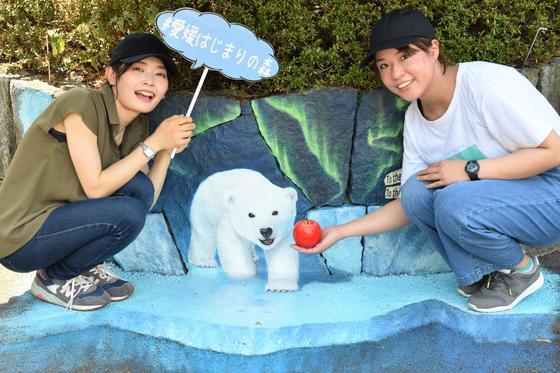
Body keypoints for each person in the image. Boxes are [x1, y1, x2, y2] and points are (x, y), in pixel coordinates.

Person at [293, 8, 560, 313]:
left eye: (405, 56)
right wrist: (340, 232)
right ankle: (484, 273)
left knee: (454, 198)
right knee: (418, 191)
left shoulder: (486, 85)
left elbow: (554, 151)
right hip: (507, 198)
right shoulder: (416, 120)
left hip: (552, 188)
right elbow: (411, 205)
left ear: (434, 49)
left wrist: (468, 169)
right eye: (384, 64)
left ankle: (522, 271)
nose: (396, 74)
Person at [0, 33, 195, 311]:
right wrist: (154, 143)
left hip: (62, 224)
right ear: (112, 75)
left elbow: (145, 200)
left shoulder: (136, 127)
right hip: (21, 237)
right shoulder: (81, 103)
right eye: (138, 69)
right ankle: (53, 278)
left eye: (159, 75)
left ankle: (82, 268)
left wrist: (165, 150)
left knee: (136, 191)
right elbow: (95, 188)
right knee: (126, 212)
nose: (149, 80)